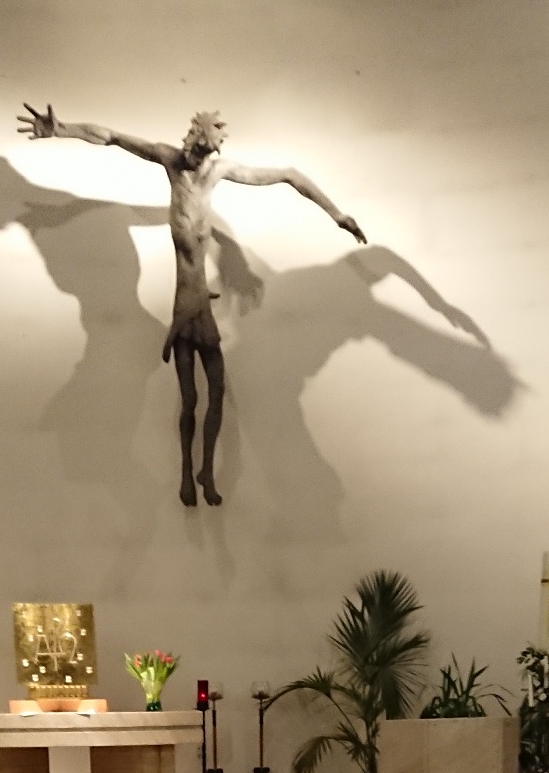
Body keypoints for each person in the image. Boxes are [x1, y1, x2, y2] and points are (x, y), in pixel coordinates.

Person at [18, 103, 366, 507]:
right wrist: (62, 130)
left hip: (201, 307)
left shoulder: (217, 173)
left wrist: (337, 214)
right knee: (190, 401)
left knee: (215, 396)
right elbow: (111, 137)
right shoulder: (169, 162)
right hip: (184, 307)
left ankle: (206, 472)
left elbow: (289, 175)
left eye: (206, 148)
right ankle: (187, 470)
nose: (199, 154)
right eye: (197, 145)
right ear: (192, 139)